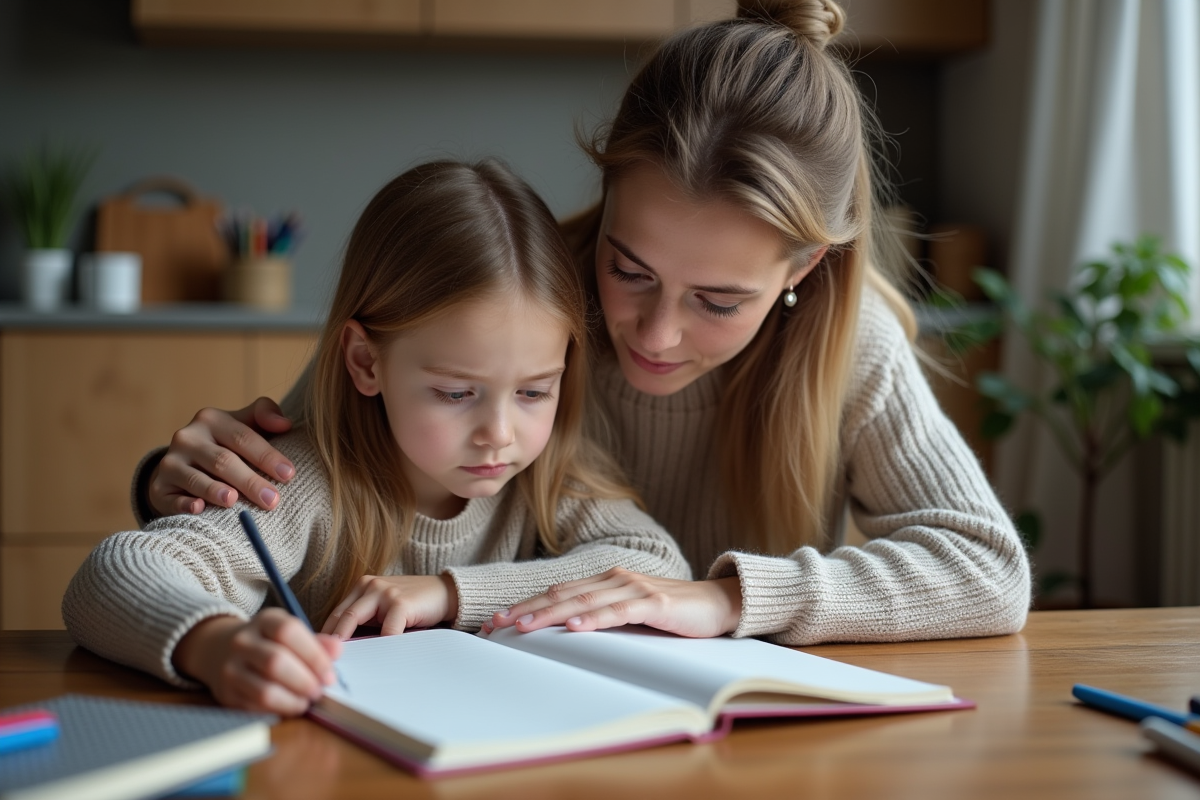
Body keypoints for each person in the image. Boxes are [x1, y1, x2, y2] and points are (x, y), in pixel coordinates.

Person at [131, 0, 1031, 647]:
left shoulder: (851, 343)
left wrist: (720, 600)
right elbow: (330, 458)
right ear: (603, 197)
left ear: (805, 267)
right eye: (627, 267)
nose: (656, 333)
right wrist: (180, 480)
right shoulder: (523, 305)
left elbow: (989, 569)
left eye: (718, 301)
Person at [62, 160, 691, 716]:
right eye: (455, 392)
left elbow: (657, 565)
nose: (499, 435)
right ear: (366, 362)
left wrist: (450, 595)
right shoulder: (304, 481)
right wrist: (214, 644)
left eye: (534, 391)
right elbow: (113, 574)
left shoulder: (547, 475)